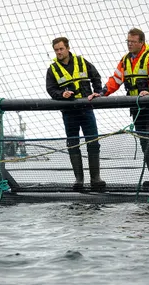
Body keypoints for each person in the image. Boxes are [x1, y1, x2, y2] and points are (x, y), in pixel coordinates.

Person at [87, 28, 149, 189]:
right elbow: (115, 80)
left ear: (141, 42)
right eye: (128, 41)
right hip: (136, 109)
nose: (129, 44)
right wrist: (101, 93)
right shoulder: (125, 60)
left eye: (133, 42)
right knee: (144, 143)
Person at [45, 36, 106, 192]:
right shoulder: (52, 70)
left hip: (86, 109)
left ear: (68, 48)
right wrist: (61, 94)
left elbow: (96, 77)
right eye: (56, 50)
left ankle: (95, 179)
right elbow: (51, 89)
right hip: (69, 112)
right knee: (73, 144)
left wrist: (98, 92)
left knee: (93, 142)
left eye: (61, 49)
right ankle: (79, 180)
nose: (59, 52)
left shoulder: (82, 62)